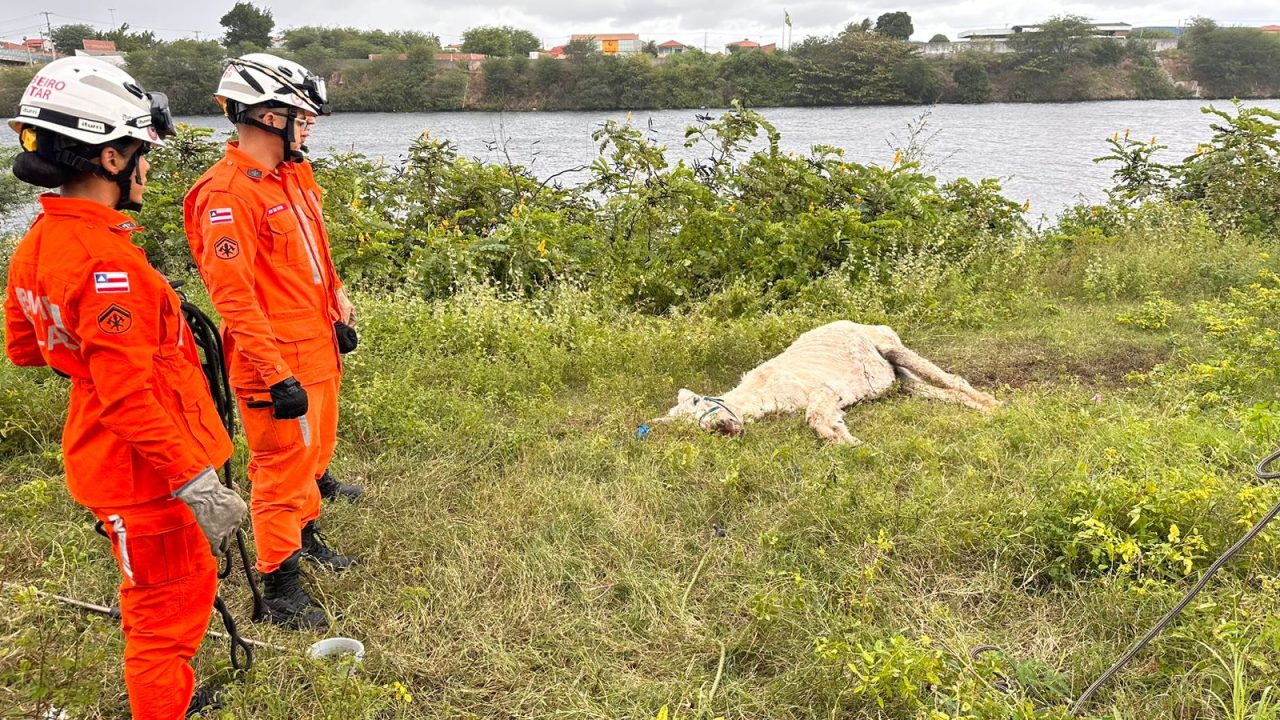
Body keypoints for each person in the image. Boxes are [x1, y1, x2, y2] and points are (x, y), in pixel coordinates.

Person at [4, 57, 247, 718]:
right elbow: (128, 398)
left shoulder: (40, 242)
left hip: (112, 463)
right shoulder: (107, 263)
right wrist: (198, 485)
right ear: (111, 157)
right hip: (148, 480)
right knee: (167, 617)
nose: (145, 168)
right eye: (142, 153)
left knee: (164, 598)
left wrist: (103, 359)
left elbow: (27, 348)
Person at [183, 53, 359, 630]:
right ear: (267, 116)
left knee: (310, 456)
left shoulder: (289, 176)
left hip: (315, 349)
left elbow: (312, 255)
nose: (308, 127)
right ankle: (279, 583)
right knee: (281, 468)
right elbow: (234, 299)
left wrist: (335, 300)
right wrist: (276, 374)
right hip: (276, 363)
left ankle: (304, 536)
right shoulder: (228, 195)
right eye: (300, 117)